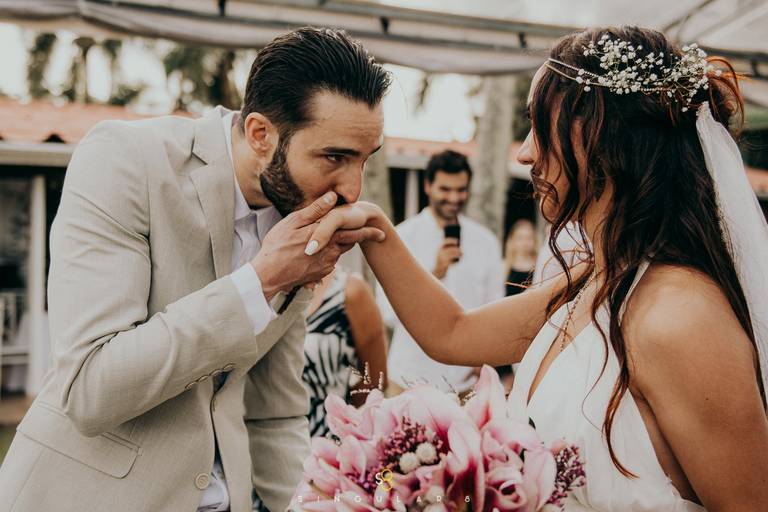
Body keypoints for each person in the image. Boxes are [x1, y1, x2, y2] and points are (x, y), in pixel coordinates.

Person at [308, 26, 768, 510]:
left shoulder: (679, 318)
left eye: (538, 124)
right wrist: (373, 226)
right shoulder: (594, 283)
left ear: (597, 135)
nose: (525, 151)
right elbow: (452, 332)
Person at [0, 27, 390, 512]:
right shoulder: (124, 160)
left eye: (364, 160)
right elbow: (90, 390)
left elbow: (275, 412)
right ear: (261, 134)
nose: (352, 188)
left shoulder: (298, 215)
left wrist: (307, 506)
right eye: (335, 157)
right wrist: (262, 280)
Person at [252, 268, 387, 511]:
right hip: (254, 454)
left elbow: (373, 383)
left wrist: (340, 425)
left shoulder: (350, 293)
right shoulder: (255, 286)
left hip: (324, 460)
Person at [377, 150, 505, 394]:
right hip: (409, 380)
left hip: (465, 383)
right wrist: (434, 273)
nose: (454, 198)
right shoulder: (402, 237)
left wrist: (486, 357)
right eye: (445, 189)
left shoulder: (486, 242)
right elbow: (388, 313)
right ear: (428, 186)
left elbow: (496, 307)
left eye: (461, 190)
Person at [504, 218, 538, 296]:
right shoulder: (505, 267)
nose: (524, 243)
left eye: (528, 238)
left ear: (534, 240)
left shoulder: (539, 266)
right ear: (512, 240)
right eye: (520, 238)